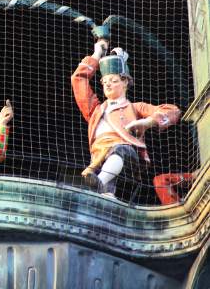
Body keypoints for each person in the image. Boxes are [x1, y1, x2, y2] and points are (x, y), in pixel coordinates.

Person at [72, 40, 181, 196]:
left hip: (127, 155)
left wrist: (148, 122)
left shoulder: (135, 107)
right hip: (98, 157)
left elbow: (173, 111)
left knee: (120, 149)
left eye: (114, 81)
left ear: (125, 82)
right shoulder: (95, 110)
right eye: (105, 82)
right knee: (105, 198)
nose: (108, 85)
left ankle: (99, 181)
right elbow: (79, 79)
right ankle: (102, 186)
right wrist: (96, 54)